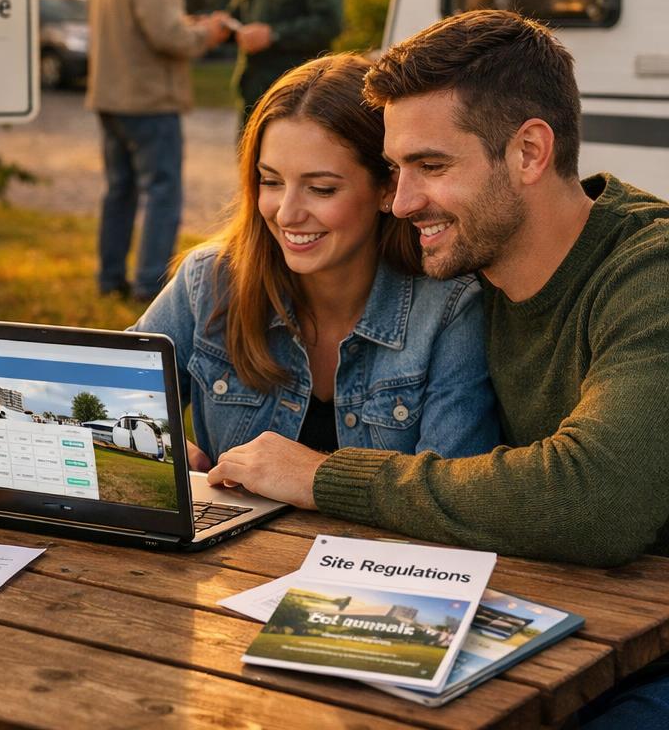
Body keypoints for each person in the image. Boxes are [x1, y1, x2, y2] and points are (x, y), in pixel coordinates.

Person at [207, 11, 669, 574]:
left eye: (431, 165)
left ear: (529, 152)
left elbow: (599, 501)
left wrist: (320, 476)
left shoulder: (650, 272)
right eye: (397, 168)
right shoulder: (475, 272)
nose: (402, 203)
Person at [133, 53, 500, 467]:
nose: (287, 213)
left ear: (387, 189)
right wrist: (170, 452)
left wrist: (310, 475)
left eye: (321, 189)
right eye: (271, 181)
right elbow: (108, 393)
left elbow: (450, 486)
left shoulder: (449, 309)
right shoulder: (210, 279)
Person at [86, 0, 228, 301]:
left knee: (120, 191)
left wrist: (186, 26)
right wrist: (208, 33)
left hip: (111, 98)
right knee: (163, 193)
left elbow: (139, 29)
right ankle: (150, 285)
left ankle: (110, 278)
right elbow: (169, 37)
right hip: (148, 101)